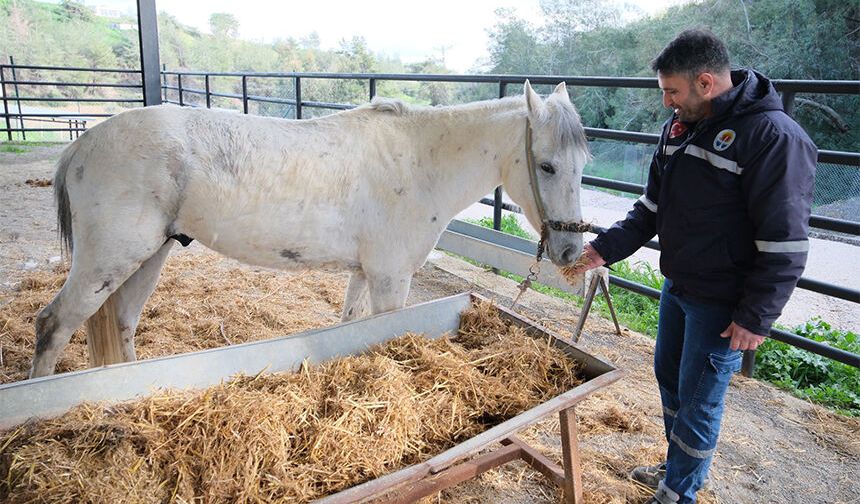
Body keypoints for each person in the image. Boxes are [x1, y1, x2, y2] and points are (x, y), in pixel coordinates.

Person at [570, 29, 817, 504]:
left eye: (672, 92)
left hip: (723, 304)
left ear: (705, 82)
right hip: (680, 285)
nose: (666, 104)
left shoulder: (773, 138)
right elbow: (651, 209)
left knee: (700, 400)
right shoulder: (681, 129)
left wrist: (755, 315)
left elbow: (785, 243)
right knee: (671, 382)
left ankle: (678, 492)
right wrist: (603, 250)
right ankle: (680, 468)